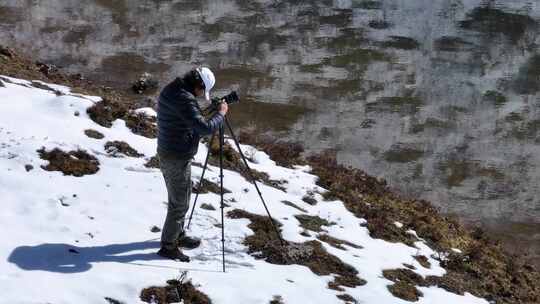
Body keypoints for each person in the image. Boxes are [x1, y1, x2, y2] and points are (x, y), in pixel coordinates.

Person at [156, 67, 228, 261]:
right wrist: (220, 114)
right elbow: (204, 128)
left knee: (182, 196)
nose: (201, 95)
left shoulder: (175, 89)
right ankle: (168, 246)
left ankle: (177, 234)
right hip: (175, 156)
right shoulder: (184, 98)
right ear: (198, 85)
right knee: (179, 203)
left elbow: (188, 116)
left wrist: (206, 110)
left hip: (173, 151)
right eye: (202, 91)